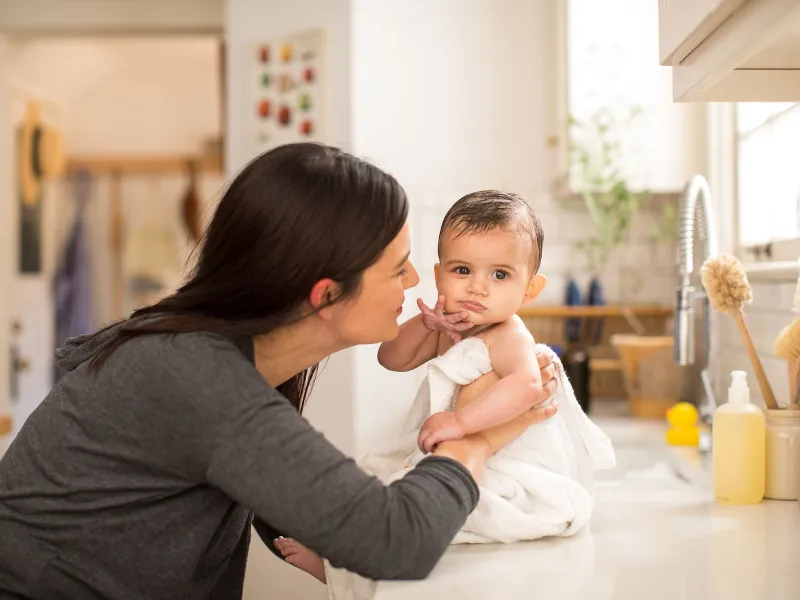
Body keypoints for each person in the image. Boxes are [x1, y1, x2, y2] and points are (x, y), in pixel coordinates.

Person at [0, 144, 559, 600]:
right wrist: (477, 440)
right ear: (326, 295)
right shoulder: (198, 380)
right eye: (397, 266)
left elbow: (301, 505)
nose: (415, 281)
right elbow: (396, 542)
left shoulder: (215, 353)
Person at [273, 189, 560, 585]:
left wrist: (461, 423)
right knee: (378, 493)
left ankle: (342, 572)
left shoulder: (508, 335)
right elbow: (392, 358)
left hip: (494, 465)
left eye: (500, 274)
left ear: (530, 289)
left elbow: (528, 385)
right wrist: (427, 325)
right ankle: (341, 566)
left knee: (419, 514)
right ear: (440, 275)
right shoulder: (448, 325)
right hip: (450, 457)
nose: (478, 287)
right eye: (463, 270)